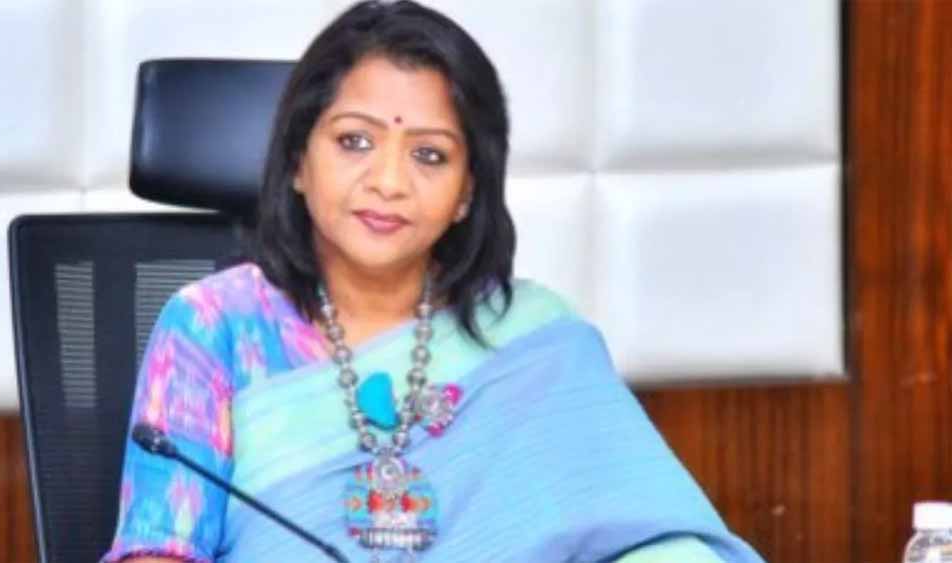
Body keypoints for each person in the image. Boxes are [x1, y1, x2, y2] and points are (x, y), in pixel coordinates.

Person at [101, 1, 764, 562]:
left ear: (468, 191)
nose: (389, 181)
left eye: (429, 154)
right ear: (298, 161)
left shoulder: (534, 334)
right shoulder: (213, 325)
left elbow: (652, 539)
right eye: (355, 141)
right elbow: (157, 552)